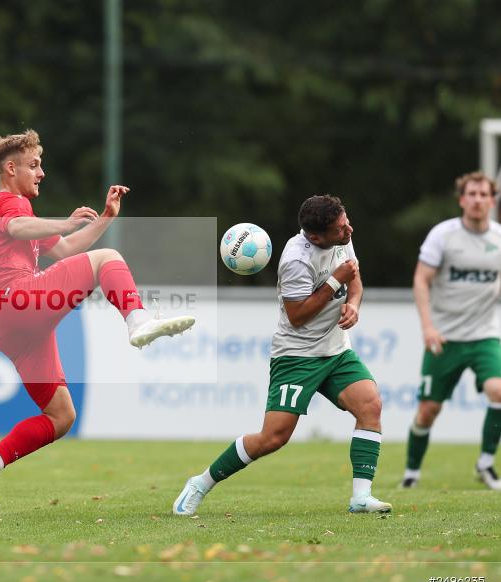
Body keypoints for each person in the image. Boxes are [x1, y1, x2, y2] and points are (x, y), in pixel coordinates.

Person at [0, 129, 195, 518]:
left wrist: (105, 218)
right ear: (11, 168)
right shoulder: (9, 203)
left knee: (61, 417)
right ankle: (137, 320)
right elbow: (21, 228)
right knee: (108, 259)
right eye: (34, 165)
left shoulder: (19, 210)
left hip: (9, 326)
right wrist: (66, 222)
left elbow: (64, 249)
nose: (41, 172)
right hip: (14, 301)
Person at [173, 195, 393, 516]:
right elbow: (297, 316)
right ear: (315, 236)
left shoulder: (342, 238)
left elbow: (354, 279)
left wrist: (354, 306)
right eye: (340, 228)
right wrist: (336, 280)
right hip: (297, 356)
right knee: (273, 438)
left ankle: (361, 497)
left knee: (370, 405)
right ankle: (200, 483)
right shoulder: (296, 260)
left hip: (336, 351)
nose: (349, 230)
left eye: (346, 222)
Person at [402, 172, 501, 491]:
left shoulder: (499, 238)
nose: (477, 200)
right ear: (461, 199)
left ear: (492, 200)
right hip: (444, 336)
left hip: (485, 335)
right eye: (471, 194)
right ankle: (411, 473)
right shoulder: (443, 235)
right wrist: (428, 327)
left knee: (499, 391)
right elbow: (421, 280)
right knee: (428, 410)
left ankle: (485, 463)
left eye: (483, 194)